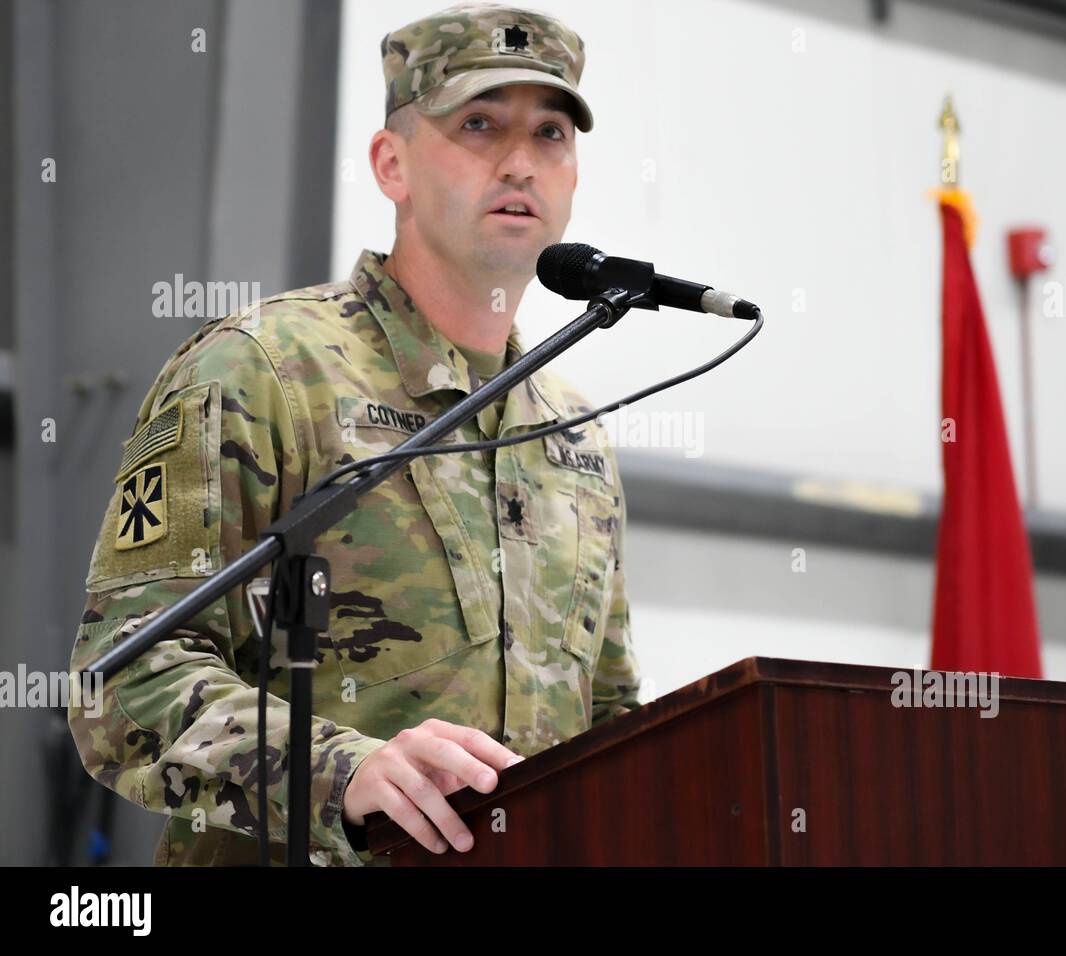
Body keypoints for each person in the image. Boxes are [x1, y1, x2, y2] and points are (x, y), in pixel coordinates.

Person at [67, 2, 640, 867]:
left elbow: (613, 721)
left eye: (551, 133)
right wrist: (342, 773)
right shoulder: (263, 370)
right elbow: (121, 684)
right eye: (479, 125)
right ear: (391, 163)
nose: (521, 161)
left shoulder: (574, 440)